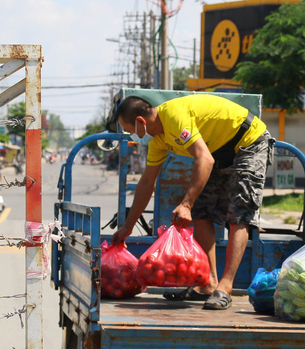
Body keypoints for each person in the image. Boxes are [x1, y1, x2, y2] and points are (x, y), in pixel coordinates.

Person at [111, 94, 275, 310]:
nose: (132, 135)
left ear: (141, 121)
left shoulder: (174, 117)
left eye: (130, 130)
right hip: (219, 151)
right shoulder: (159, 140)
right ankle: (208, 284)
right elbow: (146, 183)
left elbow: (204, 159)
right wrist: (127, 227)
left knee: (240, 213)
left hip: (249, 141)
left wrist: (185, 204)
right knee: (202, 212)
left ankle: (225, 287)